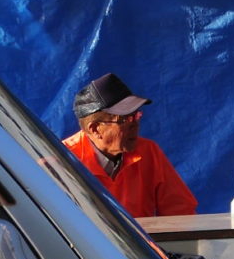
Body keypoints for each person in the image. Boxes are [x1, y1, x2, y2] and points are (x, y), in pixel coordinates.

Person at [63, 72, 198, 218]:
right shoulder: (62, 160)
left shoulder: (148, 152)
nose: (135, 125)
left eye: (136, 116)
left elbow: (180, 210)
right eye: (124, 119)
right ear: (95, 129)